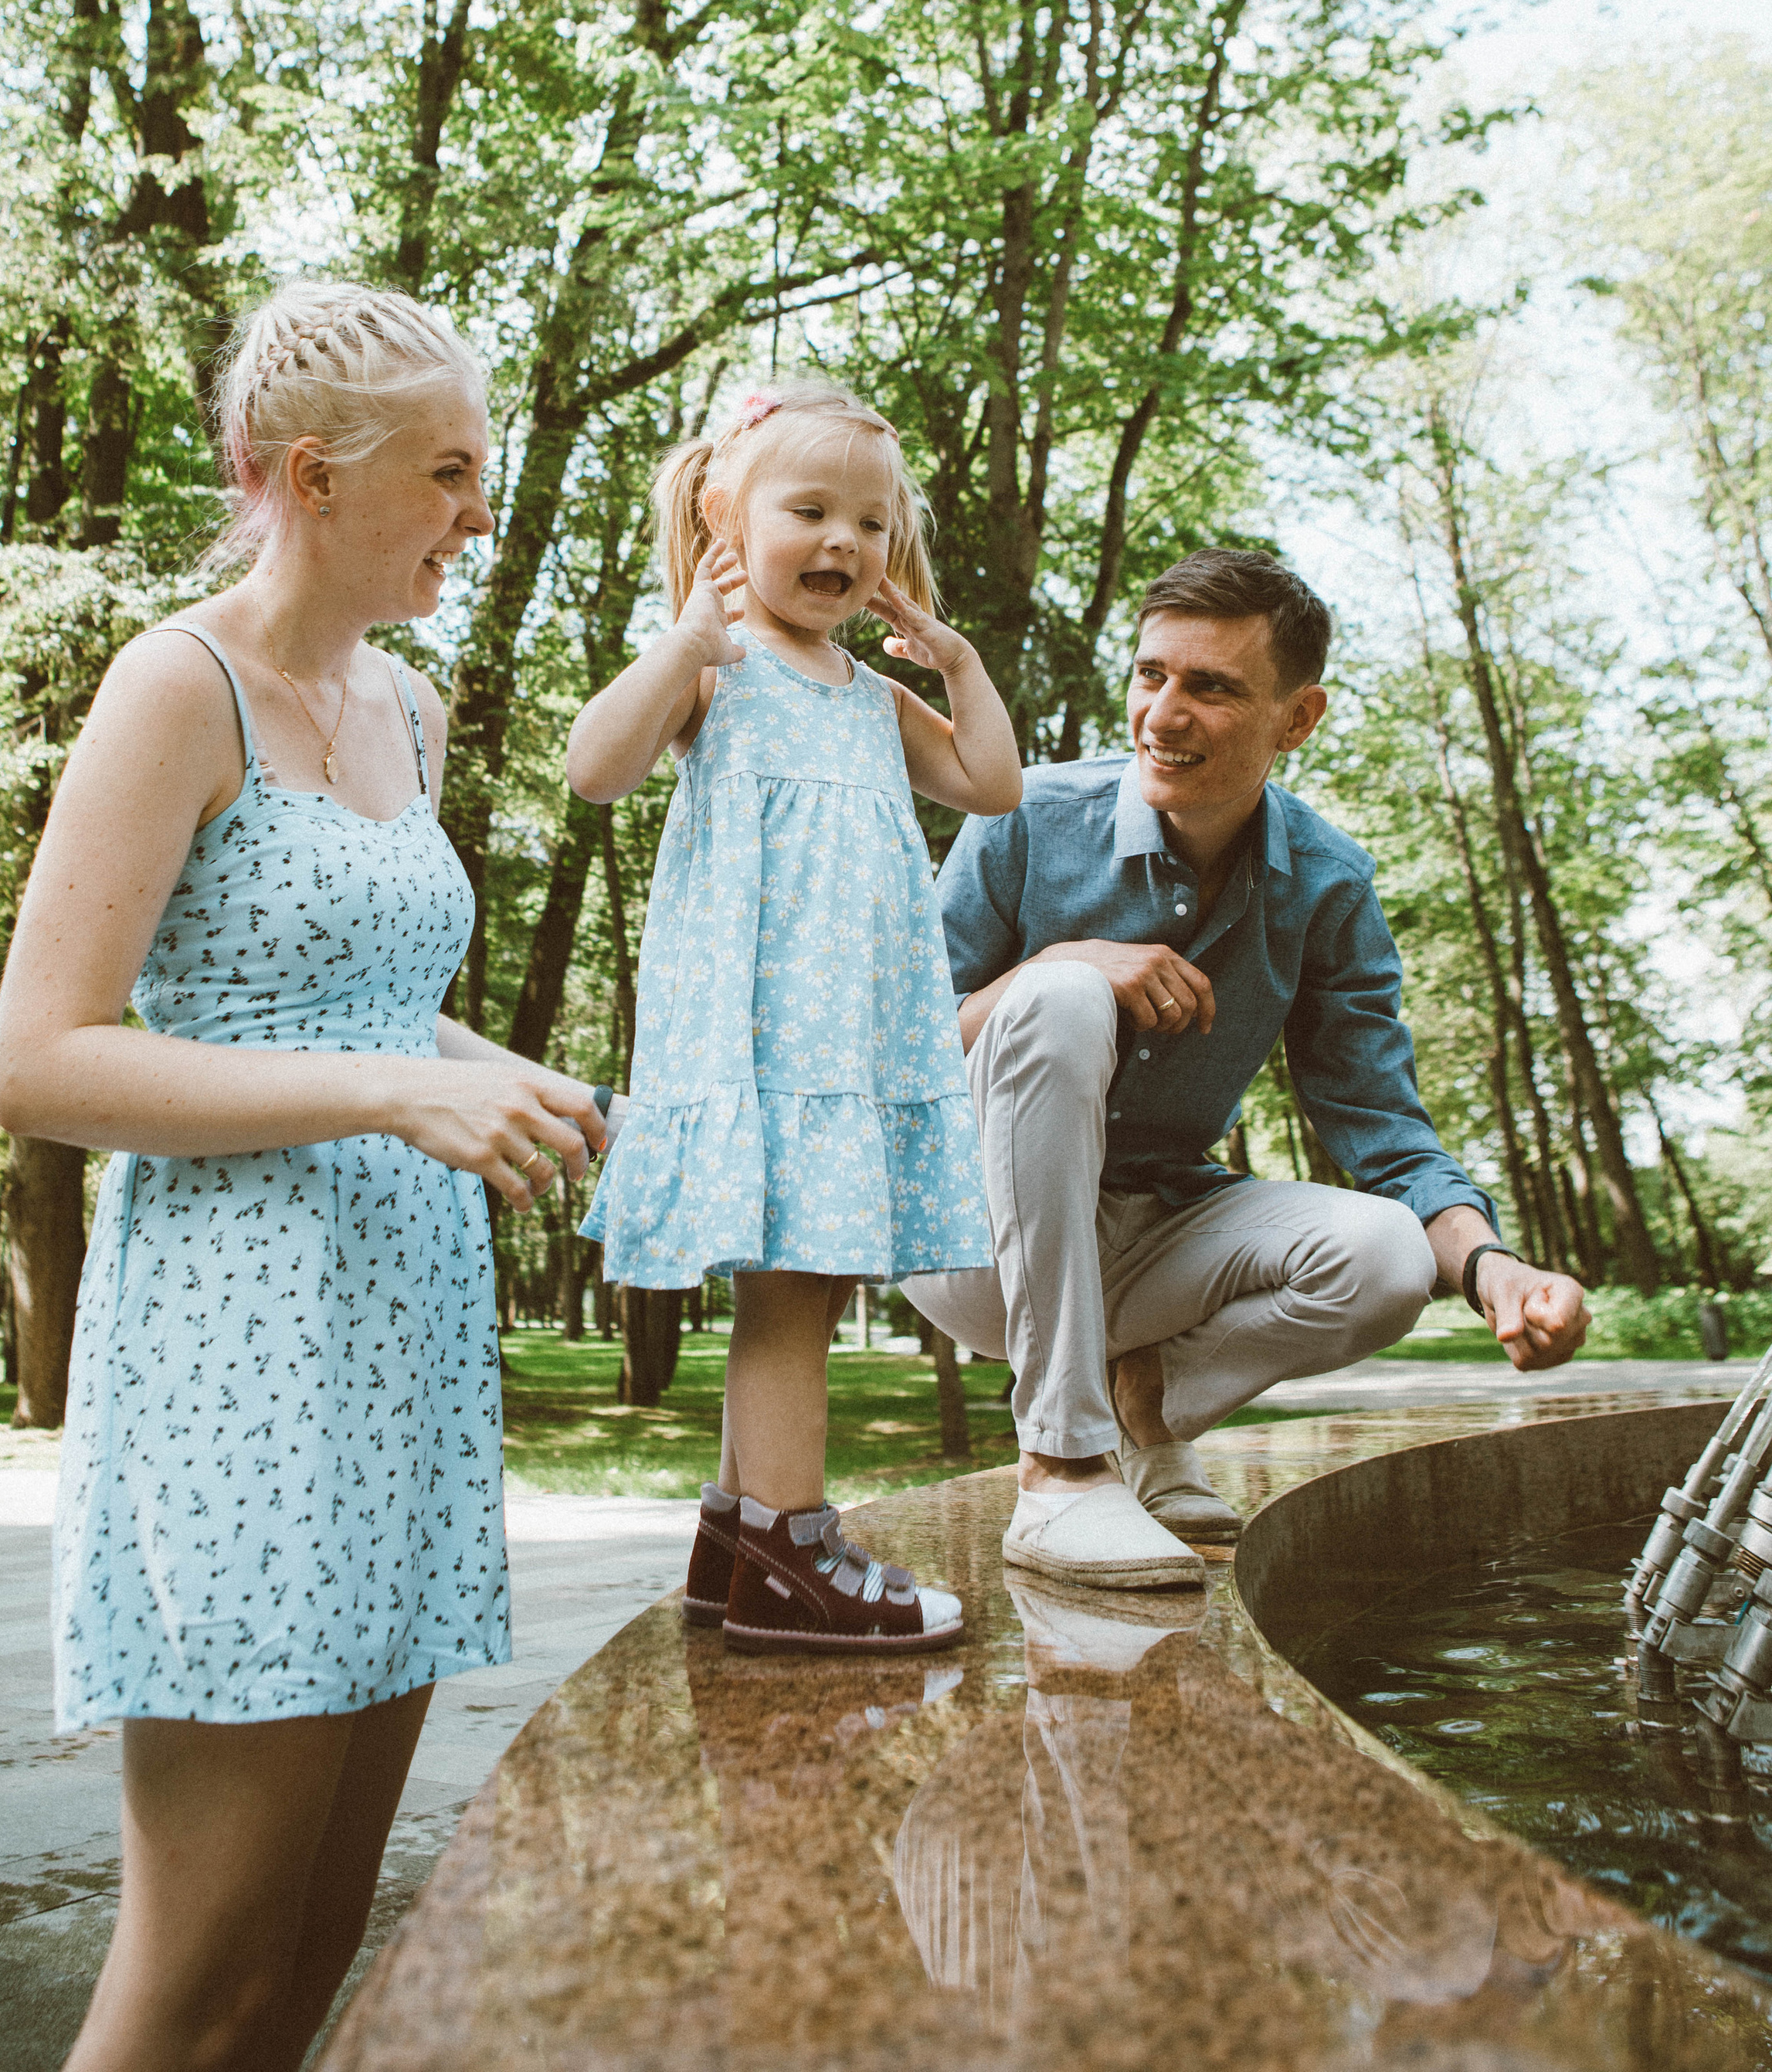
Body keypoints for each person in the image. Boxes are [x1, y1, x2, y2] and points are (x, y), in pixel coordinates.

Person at [0, 282, 605, 2072]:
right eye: (449, 472)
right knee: (193, 1976)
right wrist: (383, 1097)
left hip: (403, 1356)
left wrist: (558, 1098)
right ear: (310, 478)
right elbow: (45, 1057)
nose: (478, 514)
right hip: (233, 1365)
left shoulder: (404, 711)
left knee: (310, 1958)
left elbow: (387, 1013)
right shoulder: (174, 685)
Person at [903, 547, 1590, 1590]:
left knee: (1388, 1257)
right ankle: (1060, 1468)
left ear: (1297, 719)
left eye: (1211, 688)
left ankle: (1148, 1402)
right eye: (1151, 675)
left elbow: (1383, 1129)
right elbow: (897, 1046)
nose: (1163, 715)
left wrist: (1496, 1269)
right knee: (1062, 994)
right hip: (972, 1238)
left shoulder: (1326, 886)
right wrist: (1062, 963)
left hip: (1156, 1235)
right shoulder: (1027, 816)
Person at [568, 377, 1022, 1654]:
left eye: (871, 525)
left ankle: (733, 1545)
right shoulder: (719, 671)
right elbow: (594, 770)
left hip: (855, 1040)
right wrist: (677, 646)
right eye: (809, 511)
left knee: (804, 1283)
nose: (843, 544)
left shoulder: (873, 699)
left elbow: (990, 783)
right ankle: (788, 1542)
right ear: (726, 513)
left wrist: (959, 660)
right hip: (764, 1040)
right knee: (798, 1282)